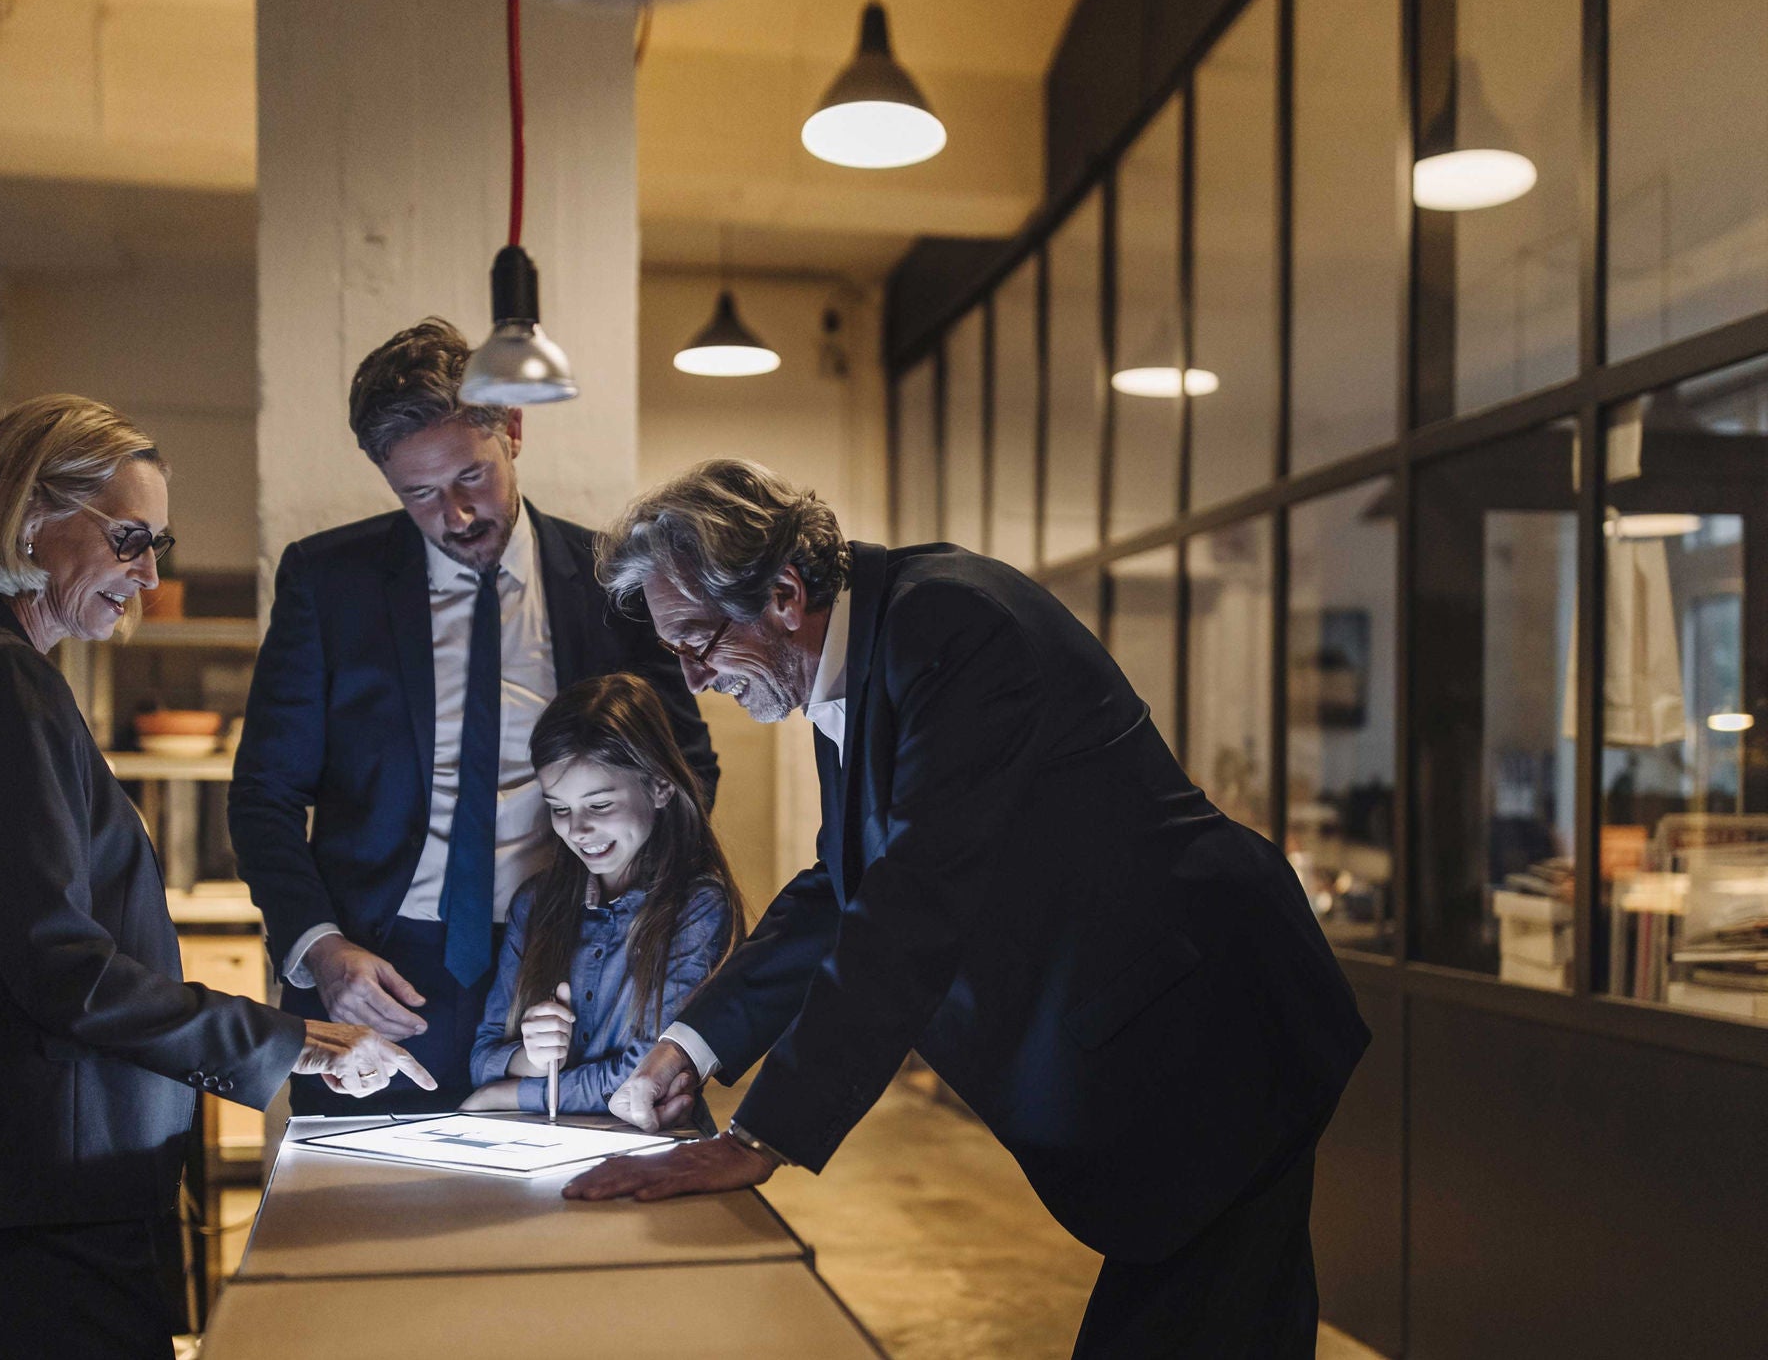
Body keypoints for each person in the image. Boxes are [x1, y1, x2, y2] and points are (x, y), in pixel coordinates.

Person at [564, 460, 1370, 1359]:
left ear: (784, 593)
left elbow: (913, 898)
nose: (696, 677)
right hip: (1171, 1041)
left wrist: (763, 1133)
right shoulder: (868, 652)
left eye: (697, 641)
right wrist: (695, 1041)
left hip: (1211, 1038)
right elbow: (846, 887)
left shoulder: (951, 626)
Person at [0, 396, 431, 1360]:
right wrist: (292, 1041)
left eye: (156, 542)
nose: (150, 574)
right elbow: (62, 968)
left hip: (38, 1177)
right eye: (129, 539)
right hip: (34, 1181)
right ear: (31, 517)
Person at [230, 319, 717, 1115]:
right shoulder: (327, 582)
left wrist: (624, 931)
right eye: (418, 493)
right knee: (366, 1222)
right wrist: (319, 949)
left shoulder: (611, 585)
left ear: (514, 431)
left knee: (565, 1223)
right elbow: (264, 796)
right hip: (377, 974)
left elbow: (687, 769)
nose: (454, 514)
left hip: (568, 966)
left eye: (471, 477)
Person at [459, 673, 744, 1117]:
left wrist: (510, 1094)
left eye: (599, 805)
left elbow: (646, 1077)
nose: (577, 829)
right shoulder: (534, 903)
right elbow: (482, 1059)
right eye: (559, 808)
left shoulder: (697, 908)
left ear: (660, 786)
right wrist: (531, 1058)